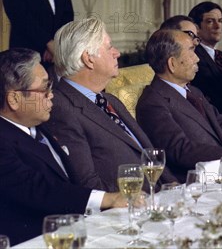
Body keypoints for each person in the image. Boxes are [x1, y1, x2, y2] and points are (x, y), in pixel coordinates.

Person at [0, 48, 127, 245]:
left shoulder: (40, 126)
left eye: (50, 86)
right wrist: (107, 199)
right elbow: (38, 188)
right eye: (44, 89)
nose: (51, 95)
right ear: (14, 99)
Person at [43, 17, 177, 191]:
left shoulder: (111, 100)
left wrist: (174, 188)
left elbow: (148, 155)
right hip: (126, 209)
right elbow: (87, 184)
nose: (117, 53)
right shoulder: (61, 107)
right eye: (109, 47)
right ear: (88, 59)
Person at [136, 29, 222, 182]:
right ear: (172, 63)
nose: (197, 59)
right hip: (195, 185)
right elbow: (182, 150)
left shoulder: (193, 91)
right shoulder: (152, 103)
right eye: (191, 51)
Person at [187, 2, 222, 116]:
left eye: (220, 21)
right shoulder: (193, 56)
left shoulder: (221, 56)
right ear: (196, 28)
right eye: (210, 21)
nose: (217, 26)